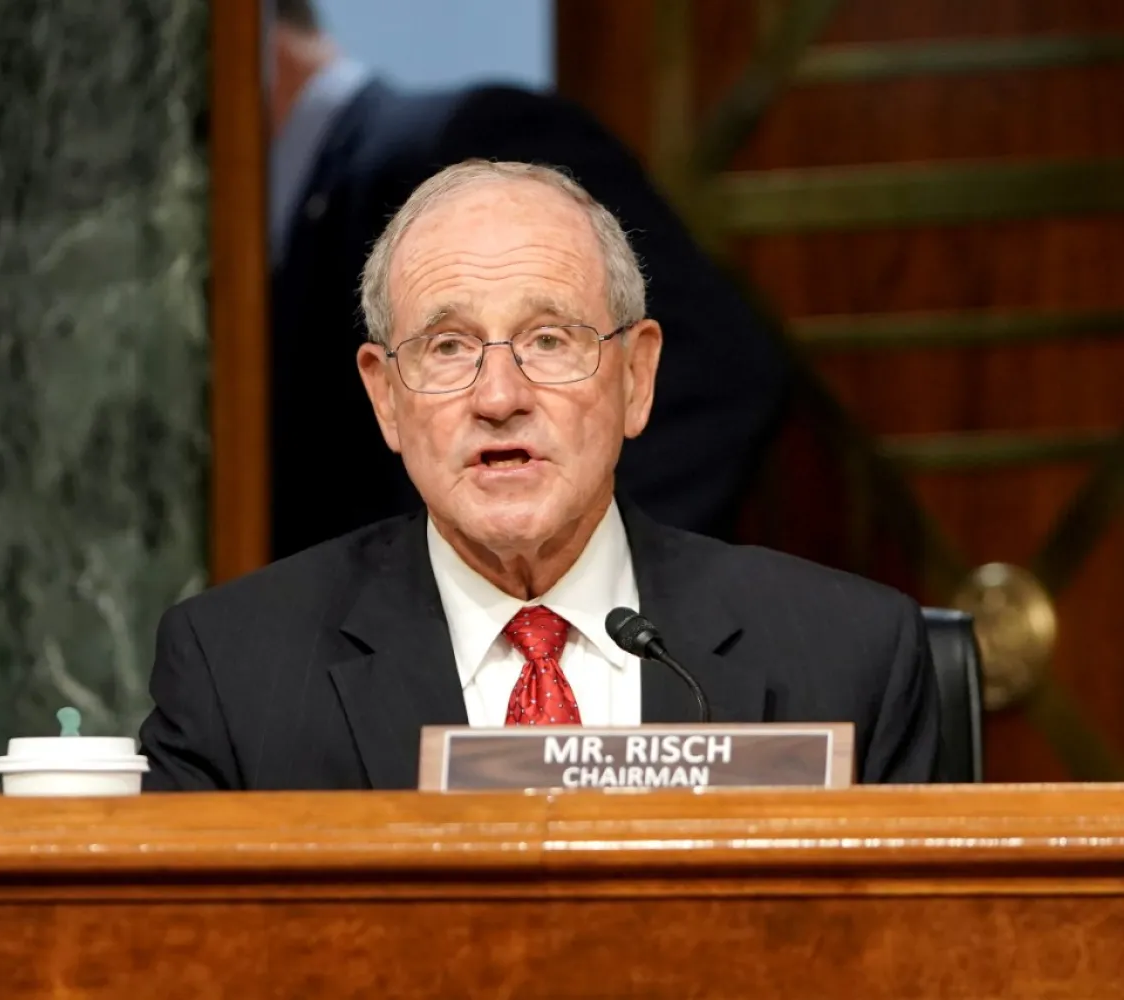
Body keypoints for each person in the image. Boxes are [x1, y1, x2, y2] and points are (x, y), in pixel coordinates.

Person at [140, 160, 939, 790]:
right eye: (448, 347)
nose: (499, 397)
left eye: (550, 340)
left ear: (637, 378)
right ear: (385, 397)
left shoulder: (848, 659)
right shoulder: (234, 676)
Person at [265, 0, 790, 558]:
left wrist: (548, 600)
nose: (496, 398)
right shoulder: (286, 218)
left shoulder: (475, 140)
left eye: (545, 341)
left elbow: (711, 381)